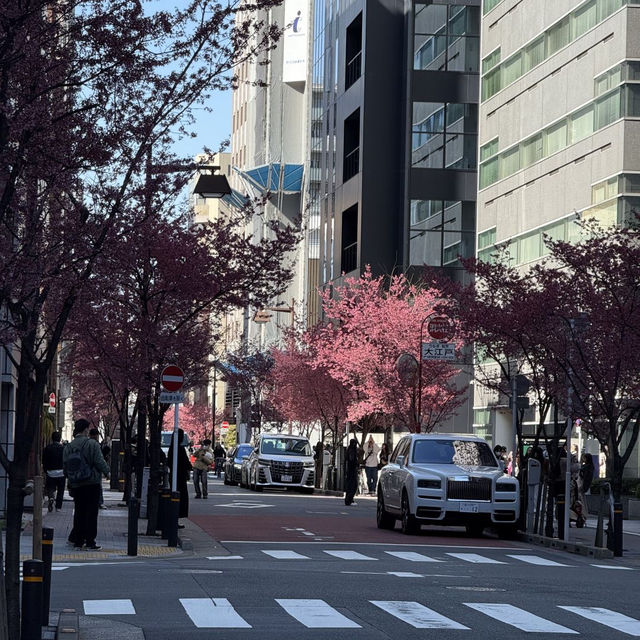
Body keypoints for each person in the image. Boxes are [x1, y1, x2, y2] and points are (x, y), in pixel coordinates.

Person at [63, 418, 110, 550]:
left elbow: (65, 467)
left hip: (77, 484)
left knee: (79, 512)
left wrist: (70, 480)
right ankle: (90, 541)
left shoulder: (69, 446)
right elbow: (99, 461)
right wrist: (107, 472)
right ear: (85, 430)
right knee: (91, 513)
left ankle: (78, 541)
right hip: (92, 482)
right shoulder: (92, 444)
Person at [167, 428, 192, 527]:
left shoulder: (171, 448)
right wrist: (189, 467)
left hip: (173, 475)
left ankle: (173, 519)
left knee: (174, 495)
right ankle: (175, 520)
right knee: (180, 497)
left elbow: (169, 461)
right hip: (180, 477)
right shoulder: (180, 449)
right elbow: (186, 463)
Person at [43, 431, 65, 512]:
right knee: (60, 490)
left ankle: (51, 497)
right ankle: (58, 507)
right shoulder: (63, 448)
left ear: (52, 438)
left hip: (50, 472)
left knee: (50, 488)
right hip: (61, 472)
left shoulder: (47, 448)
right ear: (59, 439)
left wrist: (45, 470)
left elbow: (44, 461)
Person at [89, 428, 107, 509]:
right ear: (96, 435)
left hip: (87, 471)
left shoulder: (86, 443)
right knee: (98, 487)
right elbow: (99, 460)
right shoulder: (96, 445)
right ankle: (100, 502)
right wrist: (107, 471)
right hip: (95, 471)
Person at [344, 439, 359, 506]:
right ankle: (349, 499)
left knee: (349, 485)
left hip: (349, 470)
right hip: (352, 470)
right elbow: (352, 460)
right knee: (353, 485)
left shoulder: (348, 450)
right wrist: (356, 464)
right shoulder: (352, 451)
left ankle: (349, 499)